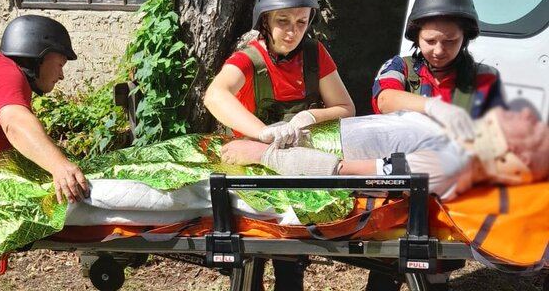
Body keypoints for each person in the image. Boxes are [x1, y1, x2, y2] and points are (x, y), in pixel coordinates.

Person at [204, 0, 355, 290]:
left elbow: (345, 107)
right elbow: (215, 95)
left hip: (295, 169)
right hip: (251, 171)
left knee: (291, 260)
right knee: (250, 262)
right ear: (265, 21)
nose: (293, 31)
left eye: (301, 22)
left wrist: (309, 117)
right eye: (283, 21)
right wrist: (263, 133)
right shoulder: (248, 60)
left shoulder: (315, 56)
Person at [0, 14, 90, 291]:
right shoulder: (3, 74)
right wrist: (59, 166)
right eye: (60, 64)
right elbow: (15, 123)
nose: (61, 75)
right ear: (38, 56)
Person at [219, 106, 549, 201]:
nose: (524, 114)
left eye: (532, 127)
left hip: (283, 160)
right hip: (289, 137)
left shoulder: (449, 164)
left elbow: (341, 171)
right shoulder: (460, 134)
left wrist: (261, 154)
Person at [372, 0, 506, 142]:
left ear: (464, 38)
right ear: (417, 37)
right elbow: (384, 100)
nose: (439, 51)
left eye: (450, 41)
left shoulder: (485, 77)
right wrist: (433, 107)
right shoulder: (401, 67)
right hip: (404, 162)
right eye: (430, 41)